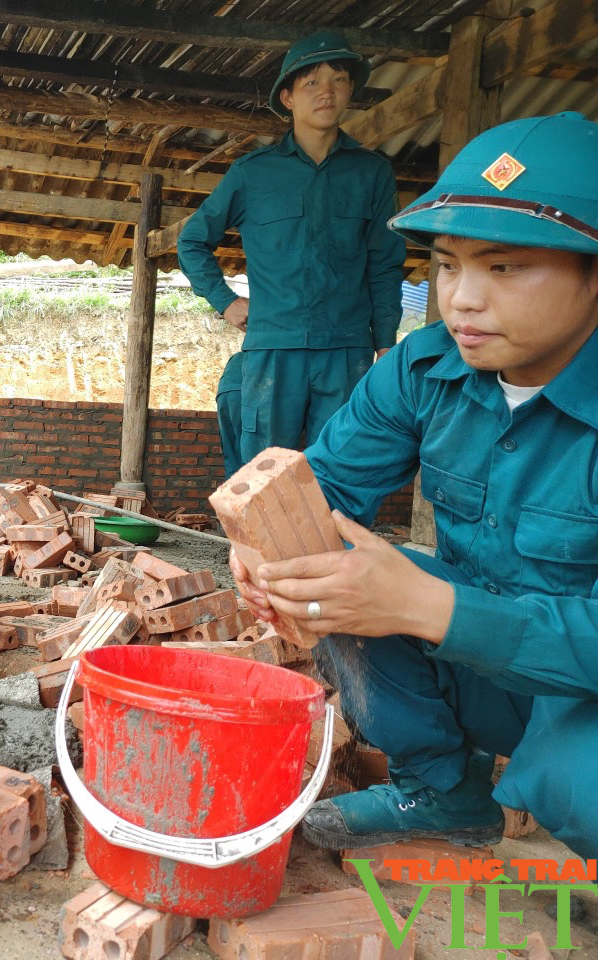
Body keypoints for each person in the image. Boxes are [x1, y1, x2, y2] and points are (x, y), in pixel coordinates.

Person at [232, 112, 598, 859]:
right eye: (447, 264)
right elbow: (322, 489)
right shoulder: (423, 369)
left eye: (503, 267)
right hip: (495, 679)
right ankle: (443, 791)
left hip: (582, 693)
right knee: (322, 561)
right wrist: (263, 549)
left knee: (576, 779)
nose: (462, 298)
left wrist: (427, 603)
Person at [179, 32, 406, 462]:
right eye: (312, 83)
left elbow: (385, 262)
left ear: (350, 92)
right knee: (263, 475)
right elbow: (192, 241)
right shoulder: (253, 173)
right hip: (273, 347)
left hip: (347, 349)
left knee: (338, 470)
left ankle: (332, 535)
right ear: (287, 97)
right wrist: (225, 301)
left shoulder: (372, 173)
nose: (327, 92)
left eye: (338, 80)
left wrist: (386, 342)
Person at [215, 352, 245, 479]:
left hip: (222, 396)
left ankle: (232, 496)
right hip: (242, 394)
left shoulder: (236, 357)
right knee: (249, 453)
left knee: (231, 455)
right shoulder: (260, 357)